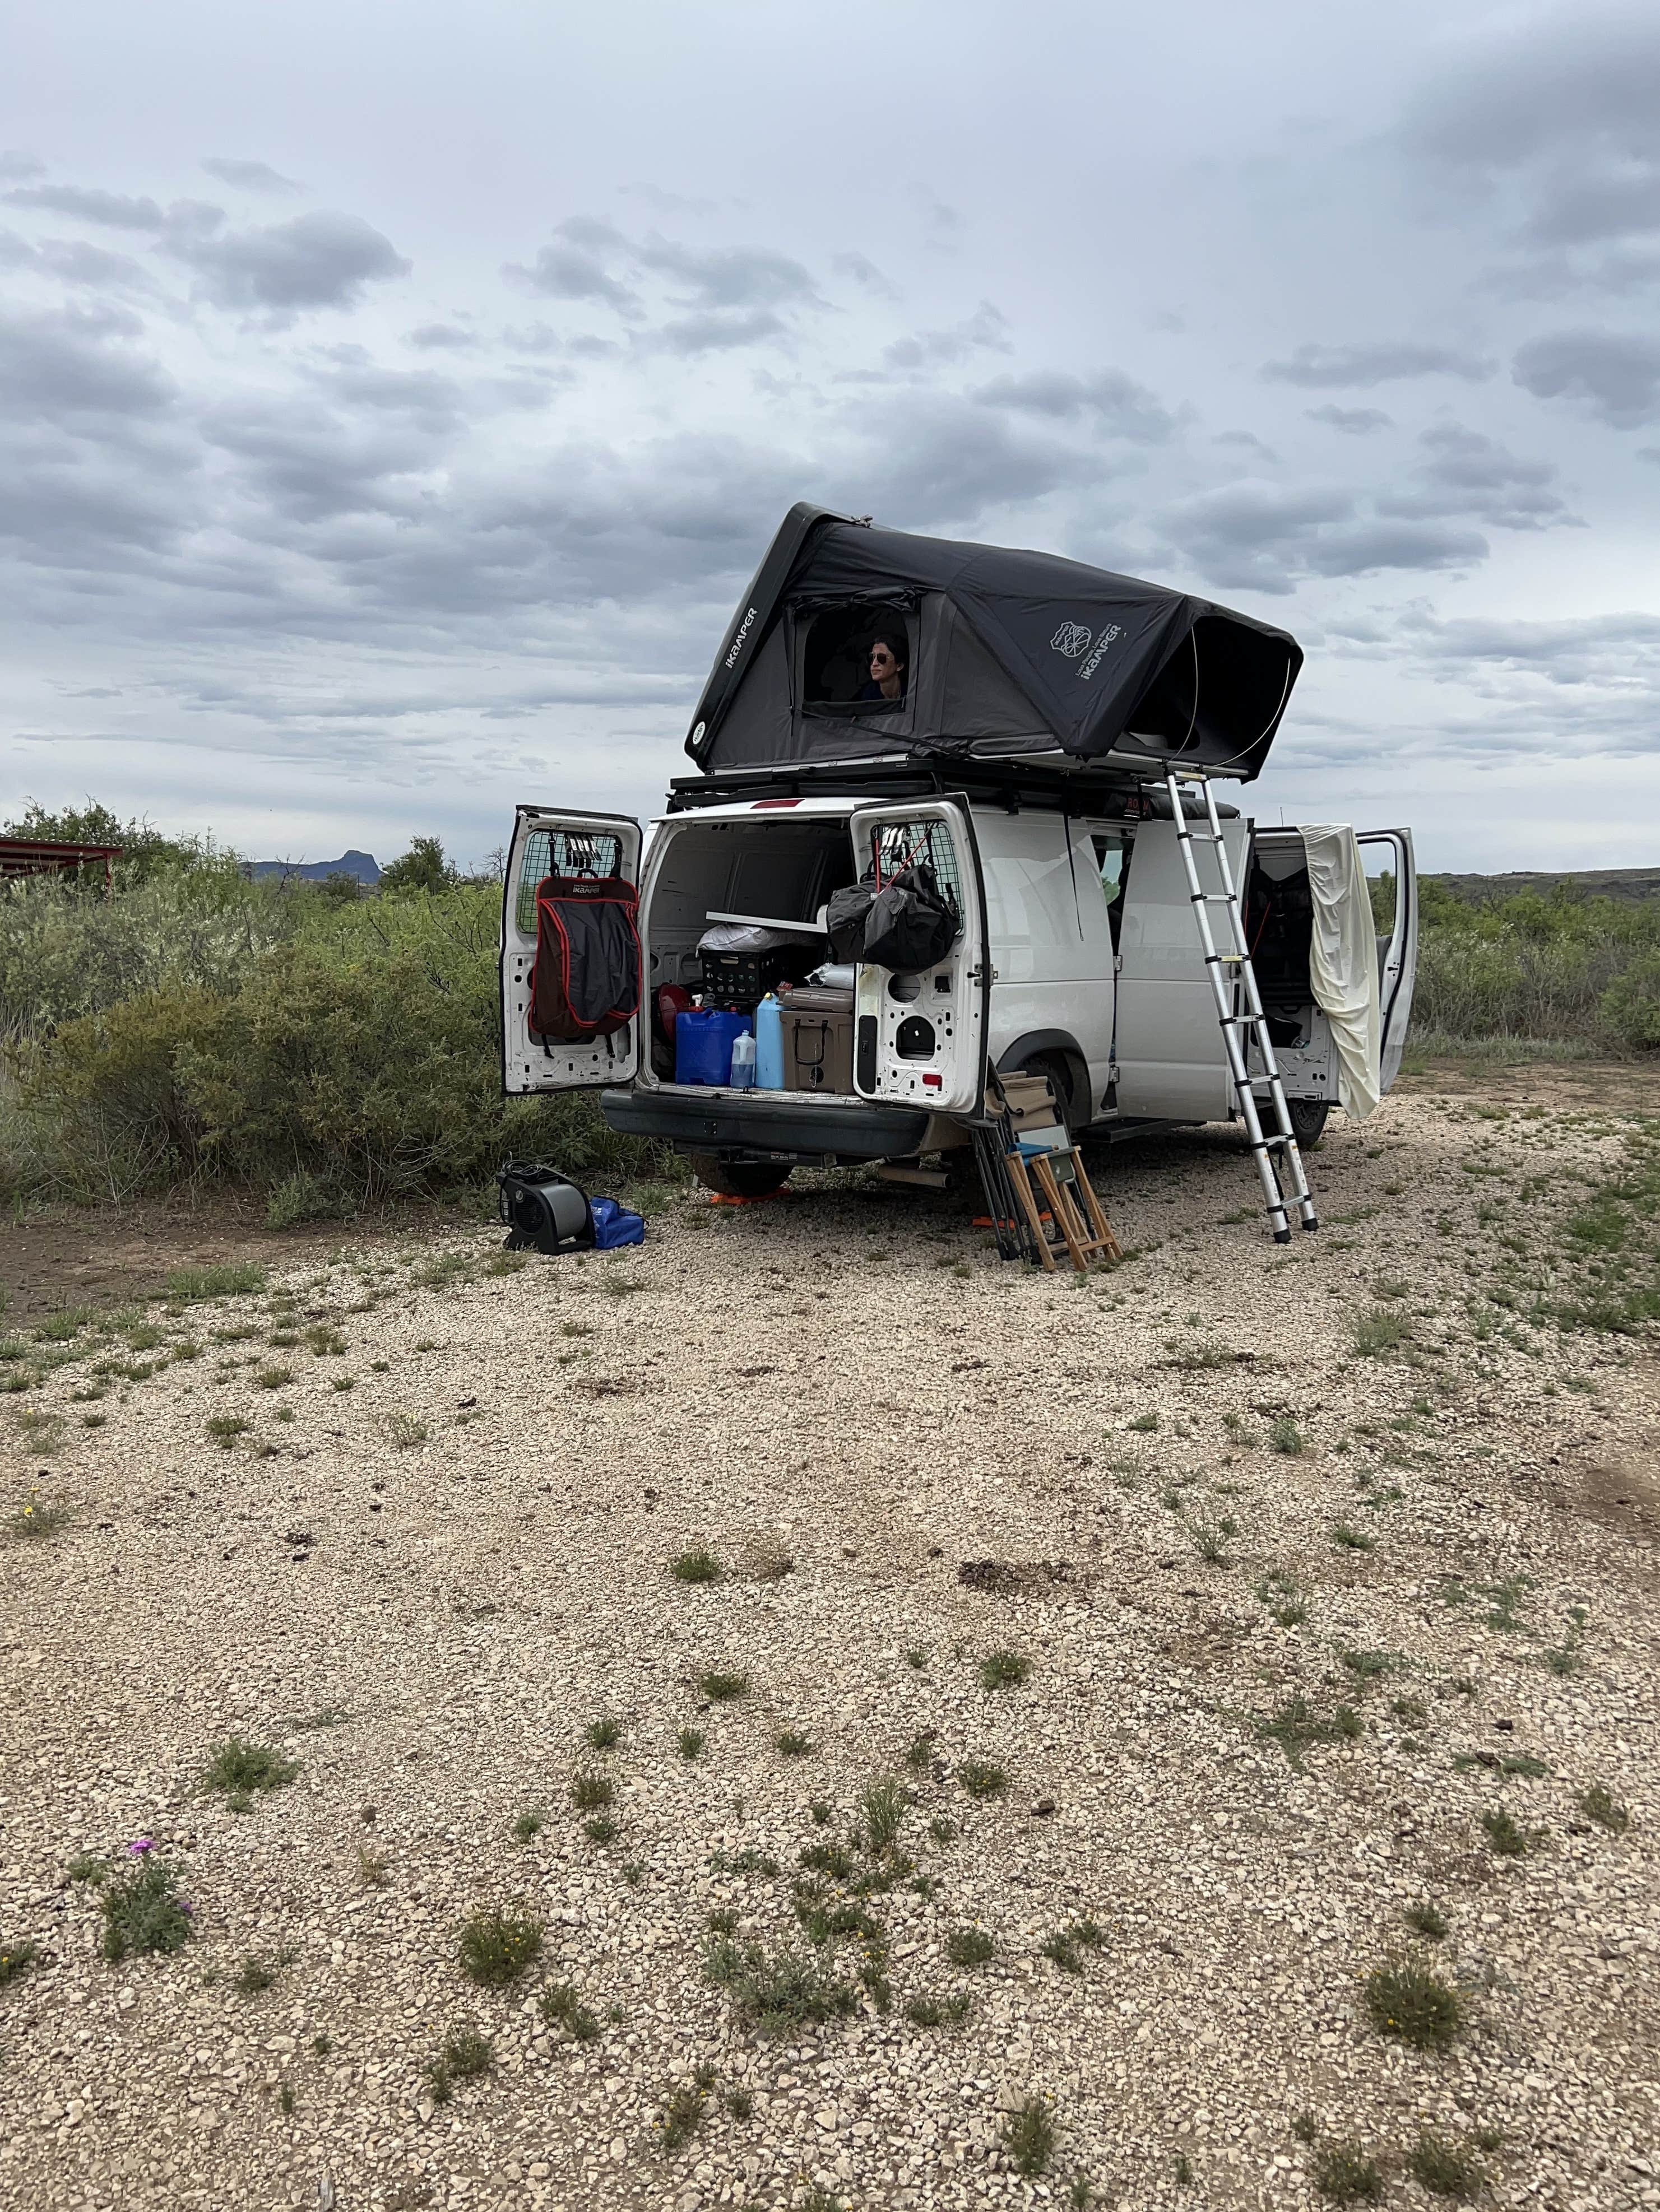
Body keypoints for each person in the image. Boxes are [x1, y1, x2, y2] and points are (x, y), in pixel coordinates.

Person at [856, 632, 907, 704]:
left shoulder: (912, 692)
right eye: (871, 657)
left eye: (882, 658)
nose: (874, 664)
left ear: (899, 666)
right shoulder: (867, 696)